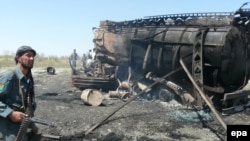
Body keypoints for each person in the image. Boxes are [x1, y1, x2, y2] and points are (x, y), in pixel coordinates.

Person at [0, 46, 39, 141]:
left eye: (33, 56)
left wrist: (31, 124)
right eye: (28, 55)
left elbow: (27, 104)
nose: (31, 58)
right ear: (18, 58)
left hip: (22, 123)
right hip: (7, 125)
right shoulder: (8, 76)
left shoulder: (28, 77)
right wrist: (10, 113)